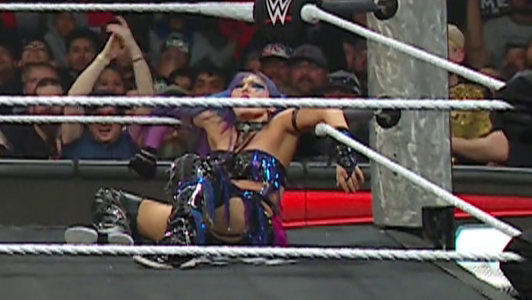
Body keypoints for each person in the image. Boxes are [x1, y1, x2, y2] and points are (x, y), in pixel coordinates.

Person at [66, 70, 368, 266]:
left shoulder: (279, 126)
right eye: (239, 86)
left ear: (270, 101)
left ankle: (180, 245)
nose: (246, 90)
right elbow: (171, 102)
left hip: (251, 221)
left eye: (257, 87)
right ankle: (117, 235)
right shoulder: (218, 128)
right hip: (207, 219)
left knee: (195, 165)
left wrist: (344, 154)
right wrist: (151, 148)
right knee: (108, 199)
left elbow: (328, 110)